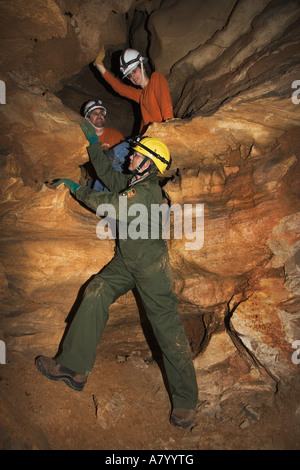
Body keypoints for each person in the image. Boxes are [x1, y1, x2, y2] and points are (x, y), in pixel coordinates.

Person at [35, 127, 198, 429]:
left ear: (149, 163)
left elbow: (107, 203)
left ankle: (186, 401)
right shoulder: (133, 182)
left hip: (150, 266)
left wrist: (76, 188)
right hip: (126, 261)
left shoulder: (146, 191)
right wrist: (95, 145)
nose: (132, 156)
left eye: (137, 155)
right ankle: (73, 368)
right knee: (96, 290)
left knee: (166, 327)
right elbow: (110, 177)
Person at [94, 47, 174, 134]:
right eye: (129, 75)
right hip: (145, 140)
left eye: (134, 71)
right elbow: (119, 88)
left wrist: (169, 125)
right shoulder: (141, 95)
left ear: (142, 67)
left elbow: (165, 103)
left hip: (161, 135)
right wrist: (99, 65)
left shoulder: (156, 78)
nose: (133, 77)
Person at [81, 99, 130, 191]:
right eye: (95, 113)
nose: (99, 116)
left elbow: (127, 157)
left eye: (101, 113)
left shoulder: (115, 134)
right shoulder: (84, 138)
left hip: (116, 178)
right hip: (94, 179)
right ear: (87, 118)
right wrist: (101, 152)